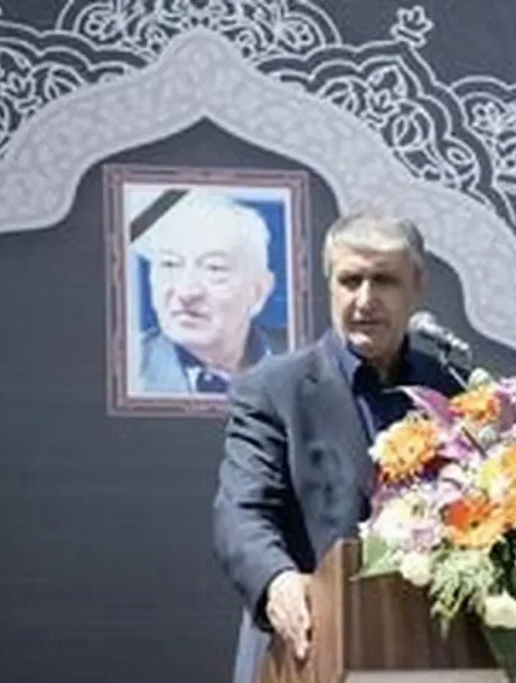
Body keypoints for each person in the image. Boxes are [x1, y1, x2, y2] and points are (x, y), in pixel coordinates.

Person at [211, 208, 464, 683]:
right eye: (350, 281)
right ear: (330, 285)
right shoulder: (274, 389)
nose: (365, 300)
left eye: (384, 280)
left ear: (418, 286)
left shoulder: (456, 392)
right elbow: (241, 513)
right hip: (306, 651)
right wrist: (277, 579)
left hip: (432, 656)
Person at [131, 190, 284, 396]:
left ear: (259, 291)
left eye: (214, 268)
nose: (186, 292)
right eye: (170, 264)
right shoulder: (129, 367)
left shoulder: (298, 359)